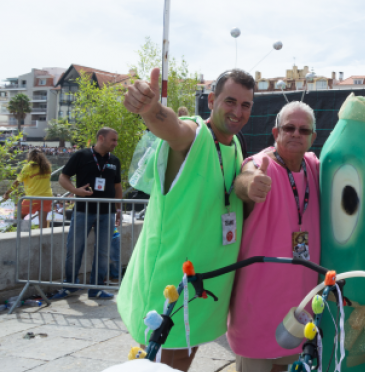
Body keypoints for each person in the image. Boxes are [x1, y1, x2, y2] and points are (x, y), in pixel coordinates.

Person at [117, 68, 253, 372]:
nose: (238, 111)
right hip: (170, 282)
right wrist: (151, 111)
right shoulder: (195, 134)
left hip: (202, 285)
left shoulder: (235, 144)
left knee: (183, 358)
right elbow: (173, 128)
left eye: (246, 105)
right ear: (211, 100)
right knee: (159, 361)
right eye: (230, 101)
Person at [229, 101, 321, 372]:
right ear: (275, 132)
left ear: (313, 137)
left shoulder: (313, 166)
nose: (296, 134)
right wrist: (250, 185)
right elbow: (244, 179)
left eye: (304, 130)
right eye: (289, 128)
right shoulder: (260, 164)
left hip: (299, 312)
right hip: (257, 311)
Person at [55, 127, 122, 300]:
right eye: (113, 140)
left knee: (103, 251)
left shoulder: (115, 160)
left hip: (107, 212)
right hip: (83, 210)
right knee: (74, 249)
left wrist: (118, 209)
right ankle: (70, 285)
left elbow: (117, 187)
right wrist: (75, 190)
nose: (115, 143)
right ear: (101, 138)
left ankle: (96, 289)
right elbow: (63, 177)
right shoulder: (81, 155)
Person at [4, 148, 54, 228]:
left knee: (18, 216)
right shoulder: (48, 167)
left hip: (32, 197)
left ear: (30, 157)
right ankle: (42, 240)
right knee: (43, 220)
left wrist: (7, 193)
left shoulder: (27, 167)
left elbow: (17, 182)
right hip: (47, 196)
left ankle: (24, 234)